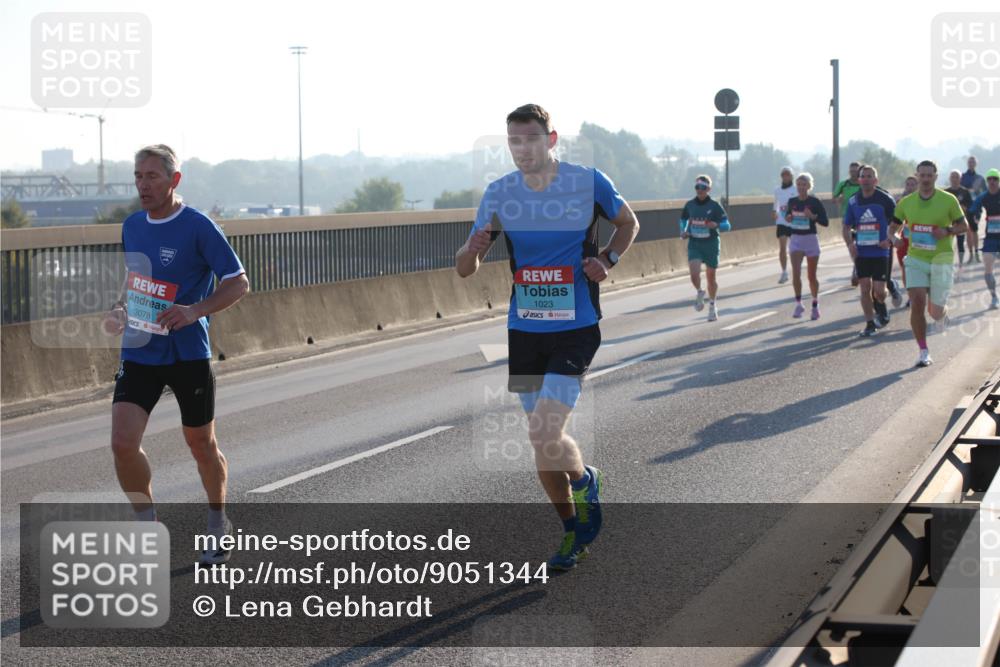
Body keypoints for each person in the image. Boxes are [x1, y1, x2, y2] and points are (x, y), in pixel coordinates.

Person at [456, 104, 639, 570]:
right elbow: (464, 269)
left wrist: (607, 260)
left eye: (531, 139)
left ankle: (585, 483)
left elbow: (628, 223)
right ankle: (571, 531)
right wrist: (471, 251)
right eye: (514, 141)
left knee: (545, 429)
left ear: (551, 140)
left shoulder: (587, 182)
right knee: (542, 442)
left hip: (575, 328)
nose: (522, 149)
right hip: (524, 330)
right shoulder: (500, 193)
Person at [103, 144, 249, 564]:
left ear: (174, 180)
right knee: (122, 443)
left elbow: (238, 282)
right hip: (139, 352)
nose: (143, 184)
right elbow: (135, 278)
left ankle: (218, 523)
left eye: (152, 176)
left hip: (187, 354)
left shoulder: (198, 226)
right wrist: (120, 308)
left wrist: (194, 311)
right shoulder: (133, 225)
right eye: (138, 176)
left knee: (201, 444)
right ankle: (147, 524)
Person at [890, 160, 967, 367]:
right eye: (922, 175)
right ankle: (923, 350)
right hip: (916, 259)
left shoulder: (948, 200)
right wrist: (894, 238)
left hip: (941, 261)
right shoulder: (906, 202)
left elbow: (964, 226)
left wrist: (947, 231)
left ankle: (942, 315)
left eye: (929, 175)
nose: (925, 179)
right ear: (917, 176)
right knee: (917, 302)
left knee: (935, 311)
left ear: (935, 177)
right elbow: (893, 227)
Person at [843, 165, 897, 337]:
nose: (866, 179)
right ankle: (870, 323)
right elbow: (846, 226)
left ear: (875, 180)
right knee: (864, 288)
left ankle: (881, 305)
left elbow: (898, 222)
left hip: (880, 251)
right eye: (863, 176)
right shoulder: (853, 201)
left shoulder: (885, 199)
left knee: (879, 292)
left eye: (869, 176)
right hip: (862, 252)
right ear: (859, 180)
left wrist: (889, 240)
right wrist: (850, 244)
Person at [680, 174, 731, 322]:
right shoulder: (690, 205)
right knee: (694, 274)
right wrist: (683, 231)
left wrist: (716, 225)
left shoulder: (715, 206)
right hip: (695, 243)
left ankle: (712, 306)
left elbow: (727, 225)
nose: (700, 190)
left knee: (710, 277)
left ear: (709, 189)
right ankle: (700, 291)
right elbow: (683, 219)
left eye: (703, 187)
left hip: (711, 243)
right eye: (697, 187)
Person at [784, 173, 828, 320]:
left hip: (810, 240)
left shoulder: (815, 202)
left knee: (811, 276)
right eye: (798, 185)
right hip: (796, 239)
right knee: (796, 274)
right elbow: (788, 216)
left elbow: (825, 222)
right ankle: (799, 304)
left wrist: (813, 217)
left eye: (804, 185)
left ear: (809, 186)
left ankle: (815, 305)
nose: (801, 187)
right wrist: (788, 217)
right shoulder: (792, 201)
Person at [968, 168, 1000, 309]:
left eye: (995, 179)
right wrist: (975, 216)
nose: (992, 181)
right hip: (991, 237)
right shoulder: (984, 196)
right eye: (990, 179)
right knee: (988, 269)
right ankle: (994, 297)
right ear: (987, 181)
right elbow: (973, 209)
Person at [835, 162, 862, 286]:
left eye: (855, 171)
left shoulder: (863, 183)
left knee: (860, 244)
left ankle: (856, 269)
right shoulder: (843, 184)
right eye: (851, 171)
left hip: (861, 218)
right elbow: (834, 198)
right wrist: (838, 200)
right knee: (851, 245)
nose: (853, 173)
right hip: (847, 219)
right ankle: (856, 265)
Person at [894, 175, 918, 304]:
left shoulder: (923, 200)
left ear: (917, 186)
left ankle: (920, 293)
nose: (910, 187)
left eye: (913, 184)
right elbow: (895, 223)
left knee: (918, 269)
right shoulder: (900, 202)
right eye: (908, 184)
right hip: (904, 240)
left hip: (920, 241)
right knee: (905, 269)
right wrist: (895, 237)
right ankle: (910, 296)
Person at [944, 169, 974, 267]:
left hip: (960, 222)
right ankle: (947, 262)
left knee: (960, 243)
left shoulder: (965, 192)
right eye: (953, 177)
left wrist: (964, 207)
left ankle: (960, 263)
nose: (954, 179)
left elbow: (971, 205)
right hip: (948, 222)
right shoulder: (945, 192)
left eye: (957, 177)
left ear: (960, 179)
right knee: (948, 243)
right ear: (949, 178)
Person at [773, 166, 796, 284]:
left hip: (794, 222)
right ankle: (784, 272)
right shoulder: (777, 190)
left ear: (791, 176)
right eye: (783, 175)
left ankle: (796, 270)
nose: (785, 177)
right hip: (782, 222)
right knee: (782, 248)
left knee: (794, 249)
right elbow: (776, 203)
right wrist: (774, 212)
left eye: (788, 175)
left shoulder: (796, 189)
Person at [962, 156, 987, 261]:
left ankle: (976, 254)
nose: (971, 163)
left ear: (976, 163)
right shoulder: (962, 177)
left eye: (973, 162)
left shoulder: (980, 178)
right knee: (968, 231)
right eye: (969, 162)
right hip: (965, 208)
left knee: (974, 230)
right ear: (967, 163)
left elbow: (985, 193)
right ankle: (971, 255)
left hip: (976, 208)